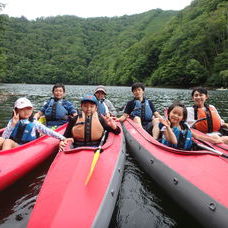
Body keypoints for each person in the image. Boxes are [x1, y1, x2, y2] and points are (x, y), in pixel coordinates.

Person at [0, 97, 70, 151]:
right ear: (16, 110)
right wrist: (13, 124)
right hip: (14, 144)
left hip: (25, 147)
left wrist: (62, 138)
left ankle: (2, 163)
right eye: (22, 109)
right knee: (2, 140)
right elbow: (4, 137)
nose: (26, 111)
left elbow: (48, 131)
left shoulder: (34, 123)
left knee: (8, 142)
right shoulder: (12, 122)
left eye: (28, 109)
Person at [153, 102, 225, 150]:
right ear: (169, 113)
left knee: (216, 138)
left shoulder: (185, 126)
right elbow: (174, 141)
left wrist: (213, 140)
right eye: (174, 113)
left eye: (179, 115)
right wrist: (168, 127)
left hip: (185, 151)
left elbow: (197, 136)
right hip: (171, 152)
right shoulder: (165, 127)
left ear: (183, 118)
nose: (175, 116)